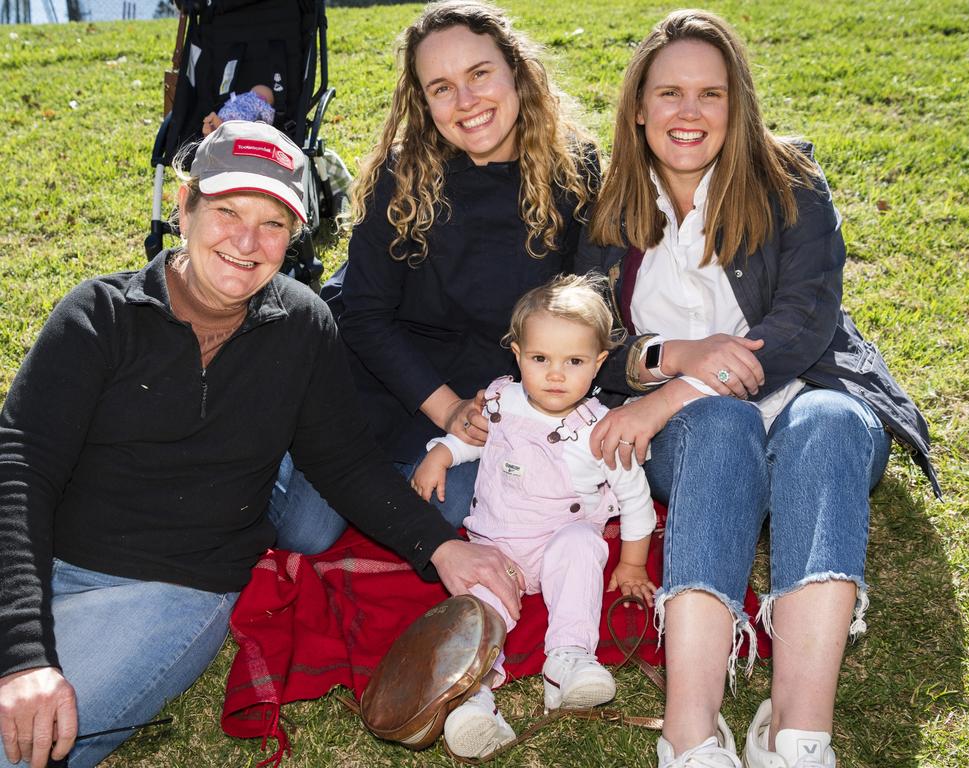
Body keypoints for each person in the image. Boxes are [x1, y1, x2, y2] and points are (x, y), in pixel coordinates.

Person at [0, 121, 522, 768]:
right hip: (48, 555)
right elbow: (21, 469)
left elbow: (344, 462)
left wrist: (438, 545)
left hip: (168, 590)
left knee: (21, 742)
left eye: (273, 223)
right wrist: (21, 651)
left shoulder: (303, 326)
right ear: (183, 207)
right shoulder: (97, 314)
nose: (247, 242)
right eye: (227, 212)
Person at [576, 10, 939, 768]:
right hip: (698, 433)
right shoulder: (609, 201)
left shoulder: (791, 177)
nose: (689, 112)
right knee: (721, 428)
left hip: (804, 392)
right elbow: (587, 338)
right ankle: (690, 736)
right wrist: (670, 356)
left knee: (833, 423)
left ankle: (799, 736)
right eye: (669, 92)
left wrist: (675, 391)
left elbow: (807, 319)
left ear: (737, 104)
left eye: (711, 93)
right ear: (637, 106)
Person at [271, 0, 600, 539]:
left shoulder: (574, 168)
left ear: (515, 70)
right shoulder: (401, 175)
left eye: (479, 74)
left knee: (451, 515)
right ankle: (278, 436)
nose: (466, 101)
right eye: (442, 87)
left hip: (489, 389)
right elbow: (365, 316)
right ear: (424, 101)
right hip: (387, 373)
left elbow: (583, 302)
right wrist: (445, 410)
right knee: (305, 535)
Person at [410, 274, 657, 758]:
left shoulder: (600, 431)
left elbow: (635, 499)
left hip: (558, 543)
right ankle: (472, 701)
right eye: (540, 359)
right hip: (495, 550)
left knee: (584, 548)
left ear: (599, 363)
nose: (556, 374)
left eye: (574, 362)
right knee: (481, 609)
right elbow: (471, 439)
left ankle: (569, 657)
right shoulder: (501, 400)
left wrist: (631, 563)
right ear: (518, 354)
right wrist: (441, 453)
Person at [202, 84, 275, 135]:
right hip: (239, 118)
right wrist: (268, 127)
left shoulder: (244, 95)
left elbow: (231, 100)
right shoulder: (262, 103)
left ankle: (214, 124)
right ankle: (218, 127)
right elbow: (268, 117)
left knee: (223, 121)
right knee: (232, 129)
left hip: (226, 110)